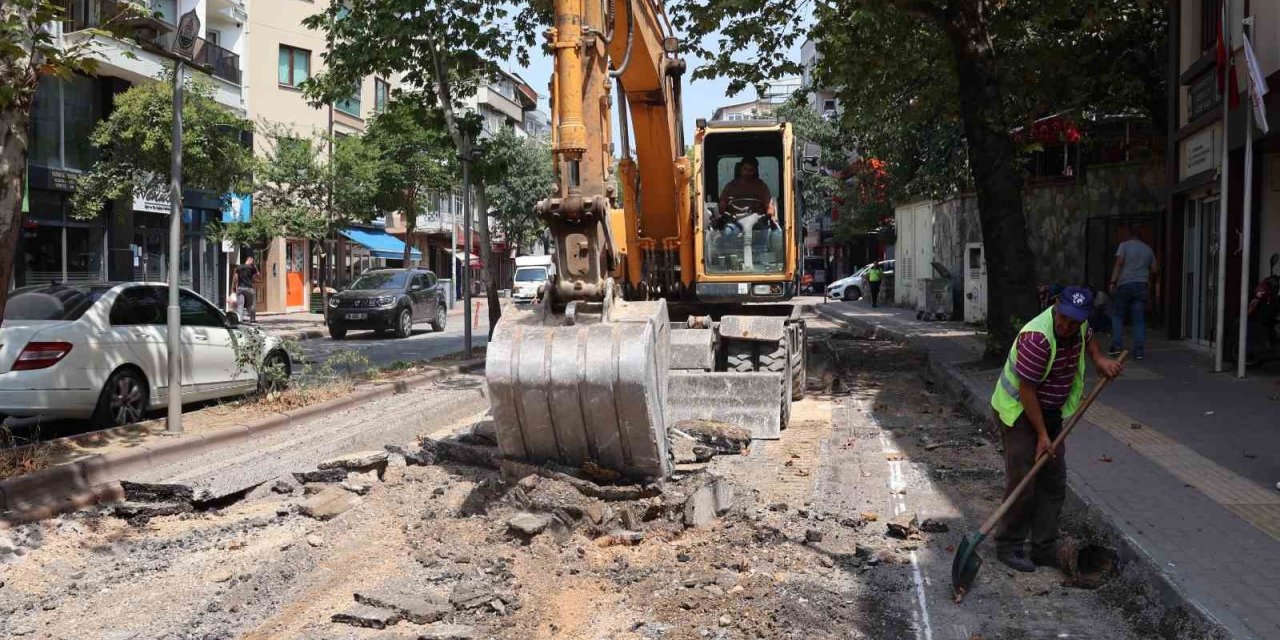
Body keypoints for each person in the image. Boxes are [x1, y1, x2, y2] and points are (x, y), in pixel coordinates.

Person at [989, 286, 1124, 572]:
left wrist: (1100, 361)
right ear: (1055, 305)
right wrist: (1041, 435)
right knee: (1024, 478)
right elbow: (1027, 392)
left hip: (1050, 413)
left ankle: (1044, 547)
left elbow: (1088, 340)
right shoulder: (1038, 338)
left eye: (1075, 321)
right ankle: (1009, 544)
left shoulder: (1080, 324)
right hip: (1019, 413)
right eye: (1064, 318)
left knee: (1052, 480)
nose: (1067, 326)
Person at [1108, 230, 1159, 360]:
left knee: (1118, 315)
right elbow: (1154, 269)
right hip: (1141, 285)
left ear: (1130, 236)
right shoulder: (1148, 250)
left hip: (1125, 284)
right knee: (1139, 319)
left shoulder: (1124, 245)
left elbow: (1119, 263)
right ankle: (1139, 351)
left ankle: (1116, 346)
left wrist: (1113, 282)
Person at [716, 157, 777, 231]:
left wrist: (771, 216)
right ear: (740, 169)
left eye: (751, 170)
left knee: (765, 232)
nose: (747, 172)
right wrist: (721, 209)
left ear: (755, 171)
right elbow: (722, 203)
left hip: (757, 219)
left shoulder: (761, 186)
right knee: (728, 231)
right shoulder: (731, 186)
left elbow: (768, 204)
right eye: (745, 169)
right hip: (735, 219)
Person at [231, 256, 260, 324]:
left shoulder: (239, 267)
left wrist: (233, 287)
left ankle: (240, 319)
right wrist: (254, 267)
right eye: (252, 262)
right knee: (251, 304)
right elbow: (258, 275)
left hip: (240, 288)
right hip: (249, 288)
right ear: (251, 261)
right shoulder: (252, 268)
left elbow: (235, 278)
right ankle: (252, 319)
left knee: (240, 305)